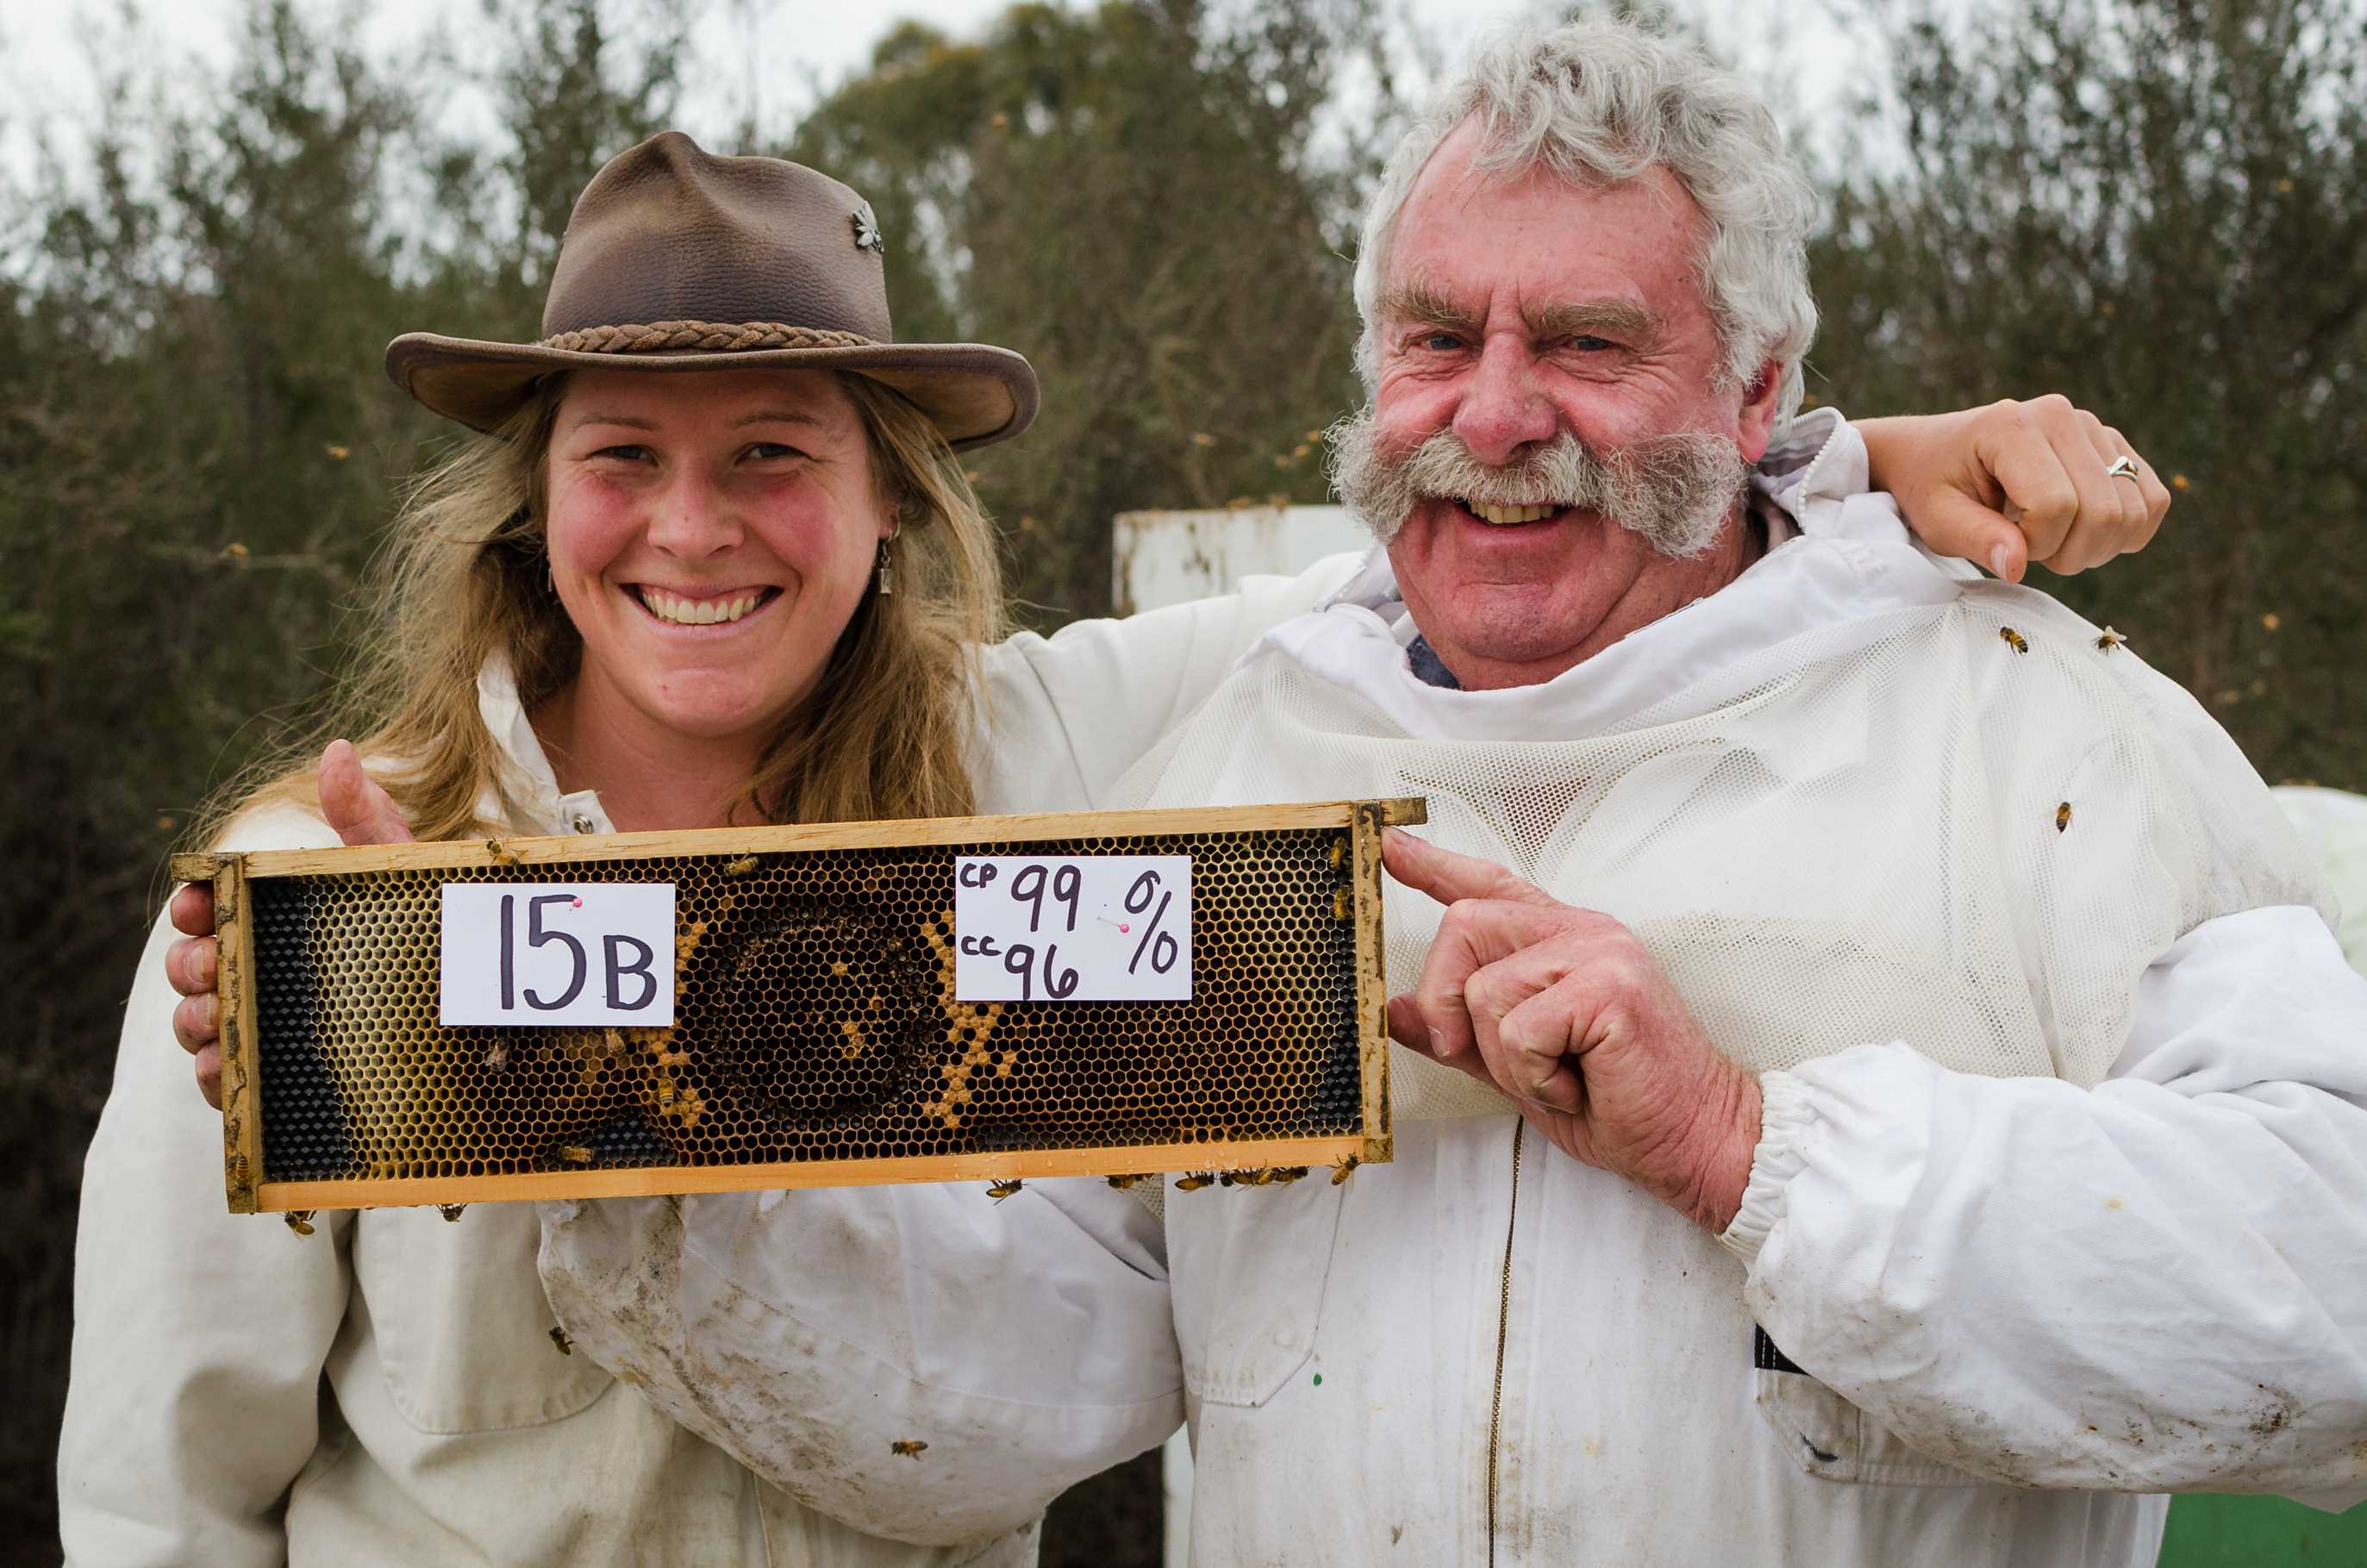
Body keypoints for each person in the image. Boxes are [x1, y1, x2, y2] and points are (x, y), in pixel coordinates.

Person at [99, 132, 2166, 1567]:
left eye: (772, 457)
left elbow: (1458, 543)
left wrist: (1852, 461)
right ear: (531, 502)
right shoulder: (315, 883)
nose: (693, 527)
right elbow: (164, 1481)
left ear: (889, 498)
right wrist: (369, 986)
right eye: (621, 457)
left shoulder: (1035, 756)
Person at [526, 24, 2367, 1568]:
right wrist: (656, 1195)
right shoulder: (1229, 758)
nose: (1490, 417)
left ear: (1756, 395)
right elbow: (1037, 1367)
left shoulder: (2035, 734)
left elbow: (2331, 1286)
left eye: (1580, 341)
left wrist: (1744, 1145)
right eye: (1432, 339)